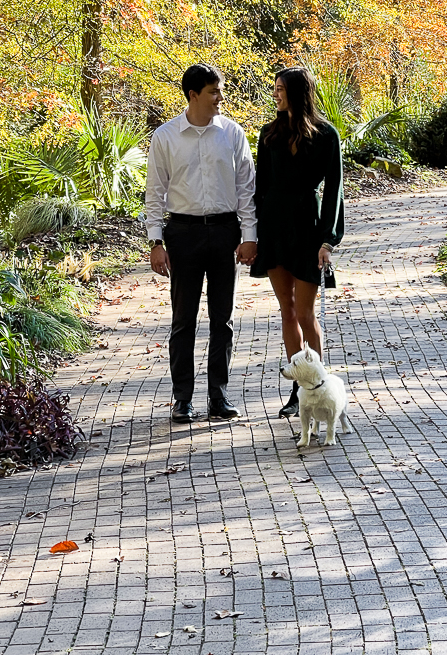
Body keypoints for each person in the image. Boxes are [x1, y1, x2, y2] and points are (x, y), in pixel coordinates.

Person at [145, 63, 257, 423]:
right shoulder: (164, 137)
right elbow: (154, 194)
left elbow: (246, 190)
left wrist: (250, 236)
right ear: (193, 95)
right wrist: (155, 241)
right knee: (184, 321)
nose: (220, 98)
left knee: (222, 321)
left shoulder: (233, 134)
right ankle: (183, 400)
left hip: (226, 232)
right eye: (213, 92)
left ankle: (218, 397)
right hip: (183, 233)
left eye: (220, 90)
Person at [250, 67, 344, 418]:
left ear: (298, 92)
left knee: (305, 312)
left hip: (307, 227)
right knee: (286, 310)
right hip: (274, 228)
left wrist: (328, 240)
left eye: (281, 89)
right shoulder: (268, 133)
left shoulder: (325, 135)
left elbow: (334, 189)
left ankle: (317, 384)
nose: (276, 94)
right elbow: (260, 187)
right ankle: (297, 391)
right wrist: (254, 234)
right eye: (274, 89)